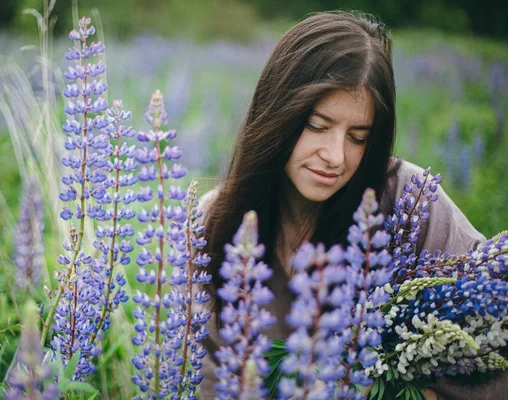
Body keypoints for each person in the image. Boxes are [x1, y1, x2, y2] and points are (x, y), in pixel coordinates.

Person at [196, 11, 506, 400]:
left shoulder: (409, 200)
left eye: (358, 136)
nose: (335, 156)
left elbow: (496, 339)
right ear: (278, 115)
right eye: (317, 126)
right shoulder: (216, 219)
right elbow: (205, 380)